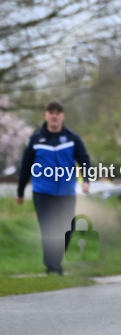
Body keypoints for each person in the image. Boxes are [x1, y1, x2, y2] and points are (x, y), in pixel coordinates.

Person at [16, 100, 92, 275]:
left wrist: (86, 180)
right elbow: (26, 167)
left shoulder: (72, 138)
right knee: (49, 228)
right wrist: (20, 192)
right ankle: (52, 267)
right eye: (51, 112)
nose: (54, 115)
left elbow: (84, 160)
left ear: (62, 116)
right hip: (43, 192)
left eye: (58, 112)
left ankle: (55, 261)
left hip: (66, 192)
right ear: (46, 115)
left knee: (67, 229)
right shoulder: (36, 140)